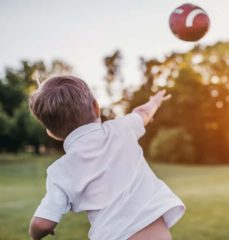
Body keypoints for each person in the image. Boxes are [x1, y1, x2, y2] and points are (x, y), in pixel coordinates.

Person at [28, 75, 185, 240]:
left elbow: (42, 224)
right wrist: (155, 102)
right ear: (96, 107)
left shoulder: (60, 171)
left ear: (51, 133)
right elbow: (142, 113)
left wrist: (34, 235)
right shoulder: (122, 129)